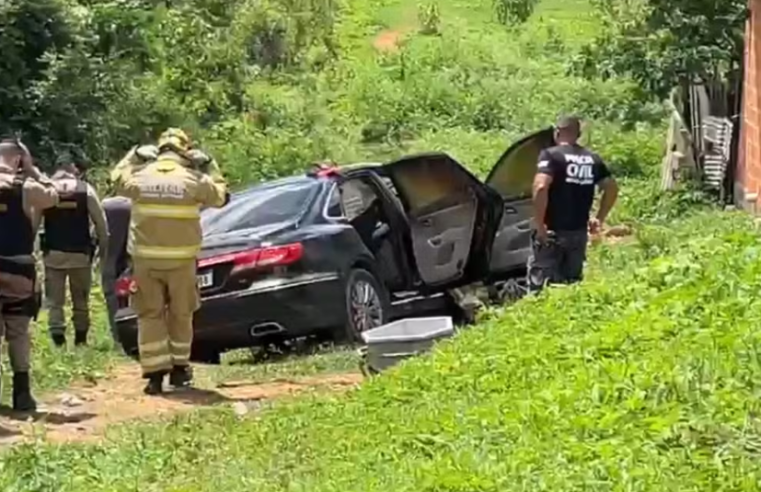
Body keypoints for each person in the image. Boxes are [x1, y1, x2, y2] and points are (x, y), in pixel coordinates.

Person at [110, 128, 228, 395]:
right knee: (181, 314)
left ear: (158, 150)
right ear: (185, 151)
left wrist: (134, 156)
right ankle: (179, 369)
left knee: (149, 315)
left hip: (146, 262)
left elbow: (116, 178)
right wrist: (210, 164)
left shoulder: (140, 177)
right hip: (181, 261)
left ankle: (154, 375)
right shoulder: (193, 178)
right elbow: (221, 196)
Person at [528, 115, 619, 293]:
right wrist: (599, 219)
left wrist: (540, 226)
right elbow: (612, 189)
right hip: (578, 233)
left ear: (557, 132)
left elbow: (540, 187)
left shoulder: (550, 155)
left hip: (551, 232)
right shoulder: (593, 159)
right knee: (571, 288)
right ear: (578, 134)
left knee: (541, 291)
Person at [0, 138, 59, 411]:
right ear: (18, 160)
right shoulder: (26, 187)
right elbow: (54, 196)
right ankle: (21, 394)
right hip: (17, 269)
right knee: (18, 330)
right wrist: (34, 170)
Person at [41, 155, 109, 347]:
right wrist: (102, 254)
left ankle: (58, 341)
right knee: (81, 300)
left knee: (55, 302)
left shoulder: (47, 190)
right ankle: (80, 340)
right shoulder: (86, 190)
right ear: (75, 171)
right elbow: (102, 226)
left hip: (53, 255)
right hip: (81, 255)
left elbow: (34, 223)